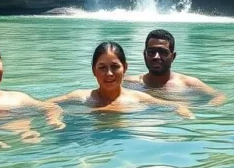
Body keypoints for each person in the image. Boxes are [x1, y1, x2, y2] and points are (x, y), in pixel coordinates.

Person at [50, 42, 194, 118]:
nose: (109, 73)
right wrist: (53, 117)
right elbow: (44, 106)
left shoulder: (139, 99)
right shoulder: (80, 97)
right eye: (102, 67)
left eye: (115, 66)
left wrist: (184, 113)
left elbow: (176, 106)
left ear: (124, 68)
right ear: (93, 70)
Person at [124, 29, 225, 106]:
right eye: (151, 52)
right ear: (144, 54)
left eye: (163, 52)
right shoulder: (130, 82)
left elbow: (219, 96)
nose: (156, 57)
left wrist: (203, 111)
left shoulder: (188, 83)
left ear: (173, 56)